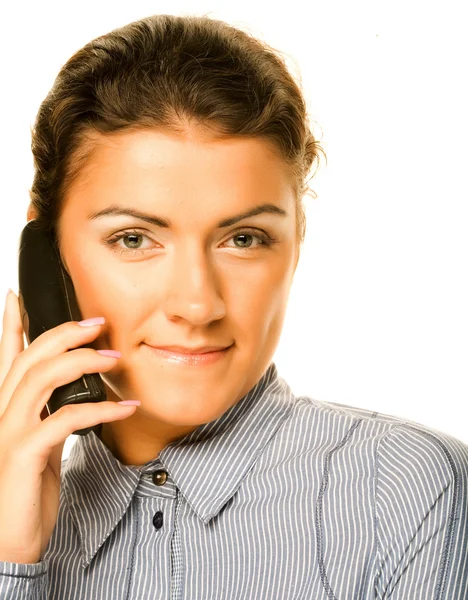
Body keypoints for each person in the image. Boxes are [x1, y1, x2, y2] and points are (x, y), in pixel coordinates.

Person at [0, 13, 466, 600]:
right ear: (45, 258)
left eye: (243, 239)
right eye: (135, 239)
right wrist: (10, 563)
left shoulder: (403, 492)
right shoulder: (11, 516)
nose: (197, 305)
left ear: (296, 245)